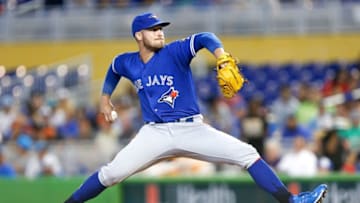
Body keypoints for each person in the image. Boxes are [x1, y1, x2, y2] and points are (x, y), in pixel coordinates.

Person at [64, 12, 328, 203]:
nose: (160, 32)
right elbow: (112, 70)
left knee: (248, 154)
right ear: (138, 35)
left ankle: (291, 201)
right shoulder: (127, 62)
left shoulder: (175, 52)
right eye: (153, 29)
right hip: (153, 133)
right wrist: (104, 98)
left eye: (161, 28)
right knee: (111, 174)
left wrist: (221, 56)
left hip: (191, 128)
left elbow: (205, 37)